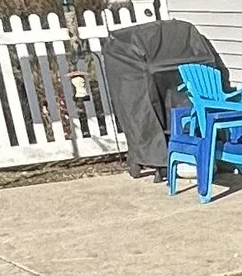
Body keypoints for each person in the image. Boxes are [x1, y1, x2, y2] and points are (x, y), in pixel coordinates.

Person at [96, 15, 224, 177]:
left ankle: (169, 157)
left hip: (158, 66)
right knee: (142, 111)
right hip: (144, 65)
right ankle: (156, 157)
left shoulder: (181, 36)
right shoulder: (125, 47)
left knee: (167, 109)